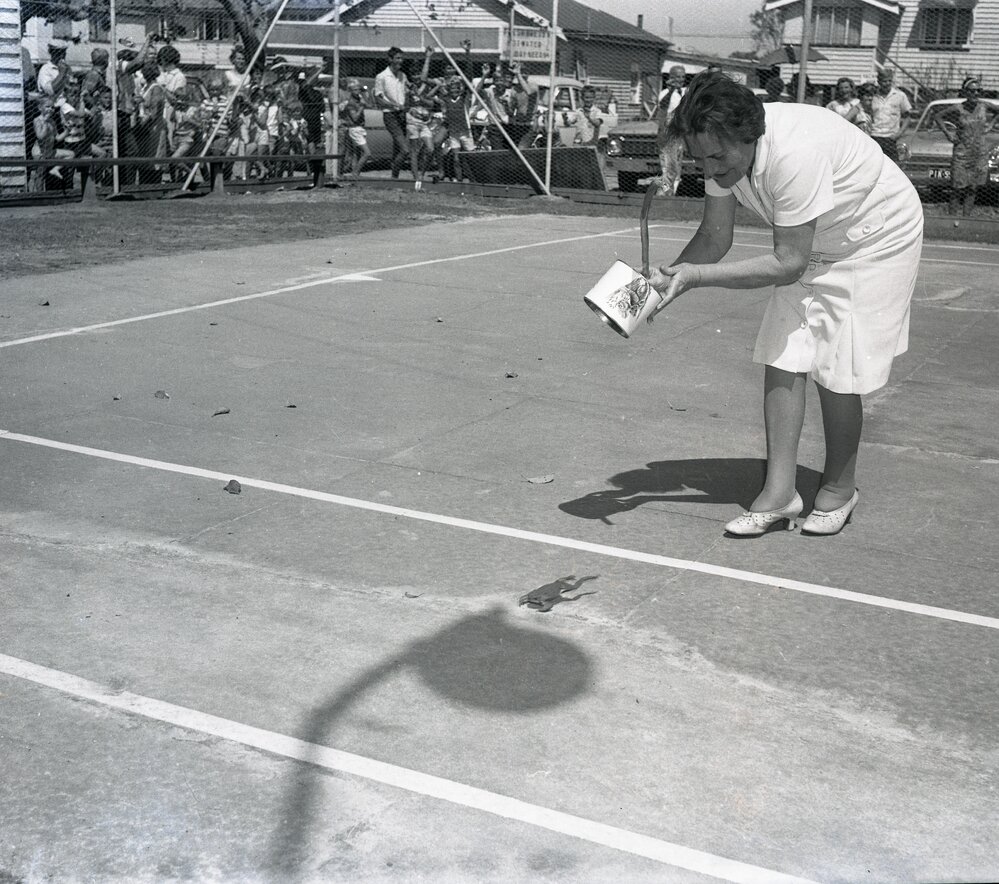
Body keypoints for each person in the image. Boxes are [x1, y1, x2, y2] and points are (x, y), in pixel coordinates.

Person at [647, 71, 923, 537]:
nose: (710, 169)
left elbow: (789, 263)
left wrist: (694, 279)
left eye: (717, 158)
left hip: (876, 239)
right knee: (783, 353)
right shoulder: (720, 148)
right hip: (814, 240)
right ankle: (780, 493)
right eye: (699, 160)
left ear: (749, 134)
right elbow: (715, 236)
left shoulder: (795, 154)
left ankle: (839, 488)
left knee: (839, 368)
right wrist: (663, 281)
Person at [935, 76, 999, 216]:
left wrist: (991, 125)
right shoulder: (958, 108)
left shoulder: (984, 106)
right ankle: (952, 220)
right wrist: (948, 134)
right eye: (972, 91)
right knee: (957, 188)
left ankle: (966, 219)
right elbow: (938, 116)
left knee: (972, 188)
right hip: (962, 154)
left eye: (978, 91)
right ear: (965, 92)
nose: (975, 94)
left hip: (979, 153)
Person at [374, 47, 410, 179]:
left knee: (397, 149)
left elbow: (406, 92)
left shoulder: (402, 75)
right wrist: (393, 105)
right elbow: (378, 98)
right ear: (390, 59)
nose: (401, 61)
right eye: (398, 58)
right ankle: (394, 175)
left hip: (402, 115)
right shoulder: (382, 76)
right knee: (405, 150)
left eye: (402, 58)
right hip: (390, 115)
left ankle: (395, 177)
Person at [656, 65, 687, 195]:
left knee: (676, 170)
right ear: (671, 78)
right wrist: (671, 90)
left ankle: (670, 195)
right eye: (677, 77)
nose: (680, 79)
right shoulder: (665, 93)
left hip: (681, 136)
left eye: (683, 77)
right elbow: (663, 105)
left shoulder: (685, 92)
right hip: (668, 136)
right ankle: (662, 195)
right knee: (668, 168)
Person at [869, 68, 911, 162]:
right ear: (879, 81)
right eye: (884, 81)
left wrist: (899, 134)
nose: (887, 84)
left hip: (891, 138)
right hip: (875, 136)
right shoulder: (873, 96)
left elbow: (907, 117)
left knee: (892, 166)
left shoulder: (900, 96)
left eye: (889, 81)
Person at [339, 78, 371, 180]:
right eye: (355, 90)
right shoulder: (351, 103)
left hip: (360, 128)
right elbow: (355, 118)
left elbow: (370, 105)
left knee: (357, 154)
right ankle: (355, 173)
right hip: (355, 129)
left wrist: (364, 97)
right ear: (351, 91)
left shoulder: (359, 99)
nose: (358, 92)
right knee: (367, 153)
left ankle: (355, 174)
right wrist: (362, 106)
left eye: (359, 90)